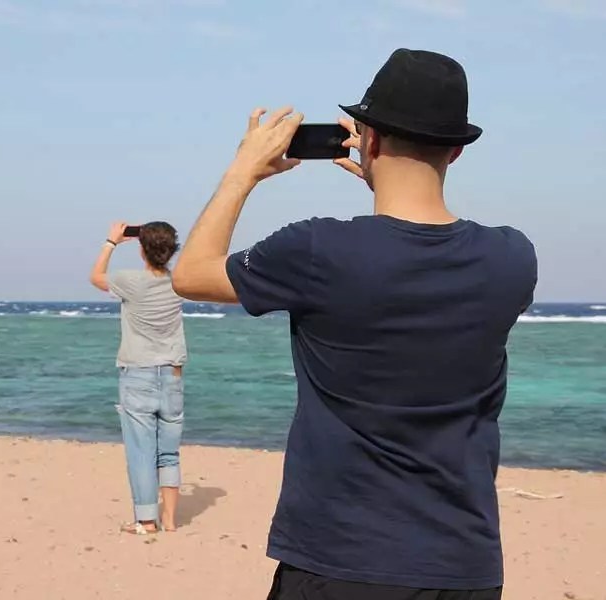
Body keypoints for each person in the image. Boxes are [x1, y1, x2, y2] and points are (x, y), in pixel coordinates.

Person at [172, 49, 537, 599]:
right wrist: (385, 180)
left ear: (370, 140)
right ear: (457, 150)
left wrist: (242, 172)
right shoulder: (511, 257)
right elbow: (416, 257)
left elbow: (191, 274)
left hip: (342, 560)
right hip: (465, 566)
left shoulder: (318, 249)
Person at [89, 220, 188, 534]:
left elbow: (96, 277)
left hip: (139, 374)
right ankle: (170, 519)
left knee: (141, 452)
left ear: (143, 250)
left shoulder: (130, 280)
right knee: (168, 452)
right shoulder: (179, 282)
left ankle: (146, 521)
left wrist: (111, 242)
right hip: (172, 375)